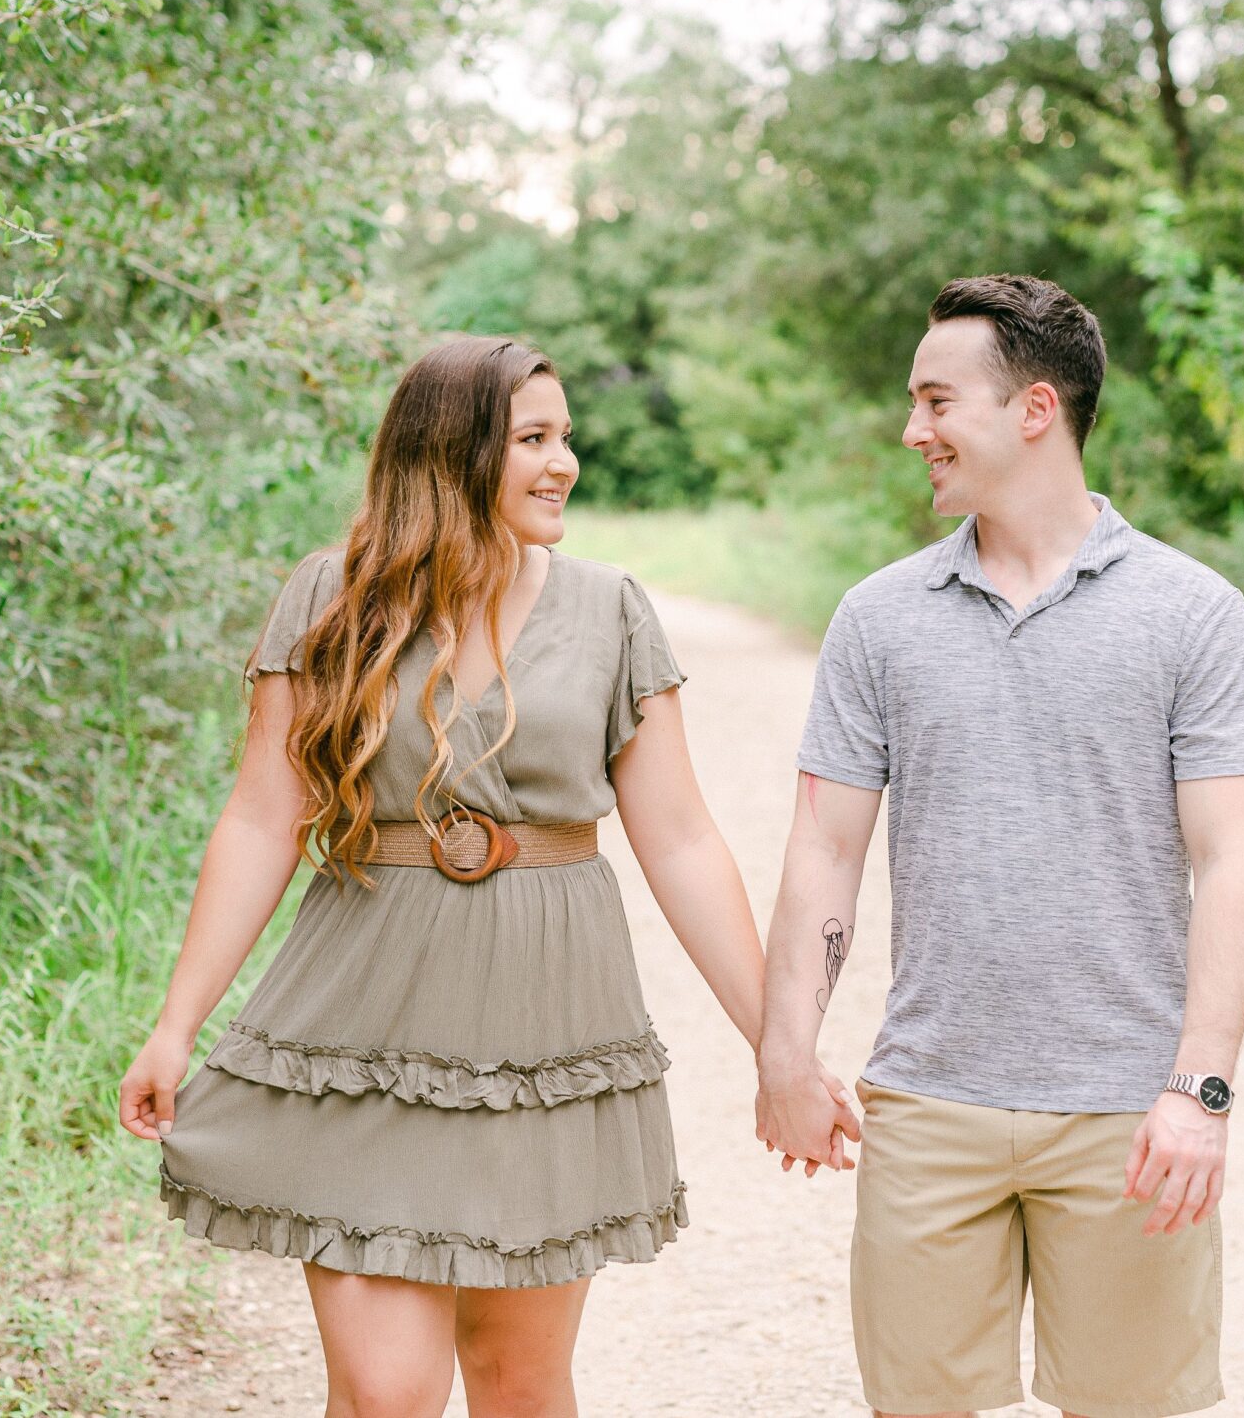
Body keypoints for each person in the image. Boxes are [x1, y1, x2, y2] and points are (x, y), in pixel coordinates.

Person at [117, 336, 771, 1418]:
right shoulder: (333, 595)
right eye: (534, 439)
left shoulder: (611, 610)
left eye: (565, 438)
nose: (563, 463)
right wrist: (176, 1021)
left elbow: (685, 840)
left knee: (520, 1385)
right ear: (450, 450)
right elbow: (260, 815)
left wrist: (773, 1038)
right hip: (366, 1030)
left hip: (544, 1034)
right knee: (386, 1393)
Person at [754, 275, 1244, 1418]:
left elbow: (1234, 859)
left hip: (1126, 1110)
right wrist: (784, 1048)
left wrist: (1201, 1087)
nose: (912, 429)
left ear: (1034, 408)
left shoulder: (1193, 613)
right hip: (928, 1102)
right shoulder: (878, 618)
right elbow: (822, 847)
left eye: (936, 401)